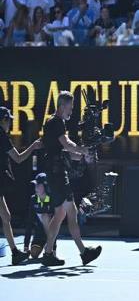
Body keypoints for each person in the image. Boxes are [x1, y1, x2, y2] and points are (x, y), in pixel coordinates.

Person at [41, 91, 101, 266]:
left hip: (56, 172)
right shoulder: (56, 122)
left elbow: (64, 148)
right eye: (70, 107)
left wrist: (82, 152)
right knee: (71, 212)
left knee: (60, 214)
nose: (72, 111)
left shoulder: (54, 122)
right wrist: (83, 150)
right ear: (62, 106)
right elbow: (67, 144)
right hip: (57, 174)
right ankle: (84, 252)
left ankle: (48, 253)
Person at [0, 106, 42, 265]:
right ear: (3, 120)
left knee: (6, 216)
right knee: (6, 216)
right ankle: (14, 252)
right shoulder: (1, 136)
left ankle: (15, 253)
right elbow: (18, 158)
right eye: (9, 120)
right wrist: (33, 146)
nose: (10, 123)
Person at [24, 173, 57, 259]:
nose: (36, 187)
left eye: (38, 185)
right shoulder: (33, 199)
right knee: (34, 253)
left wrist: (54, 249)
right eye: (35, 185)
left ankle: (50, 247)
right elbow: (29, 222)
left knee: (45, 216)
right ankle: (45, 246)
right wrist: (26, 246)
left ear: (46, 186)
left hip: (51, 233)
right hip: (39, 233)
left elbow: (56, 224)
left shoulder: (53, 199)